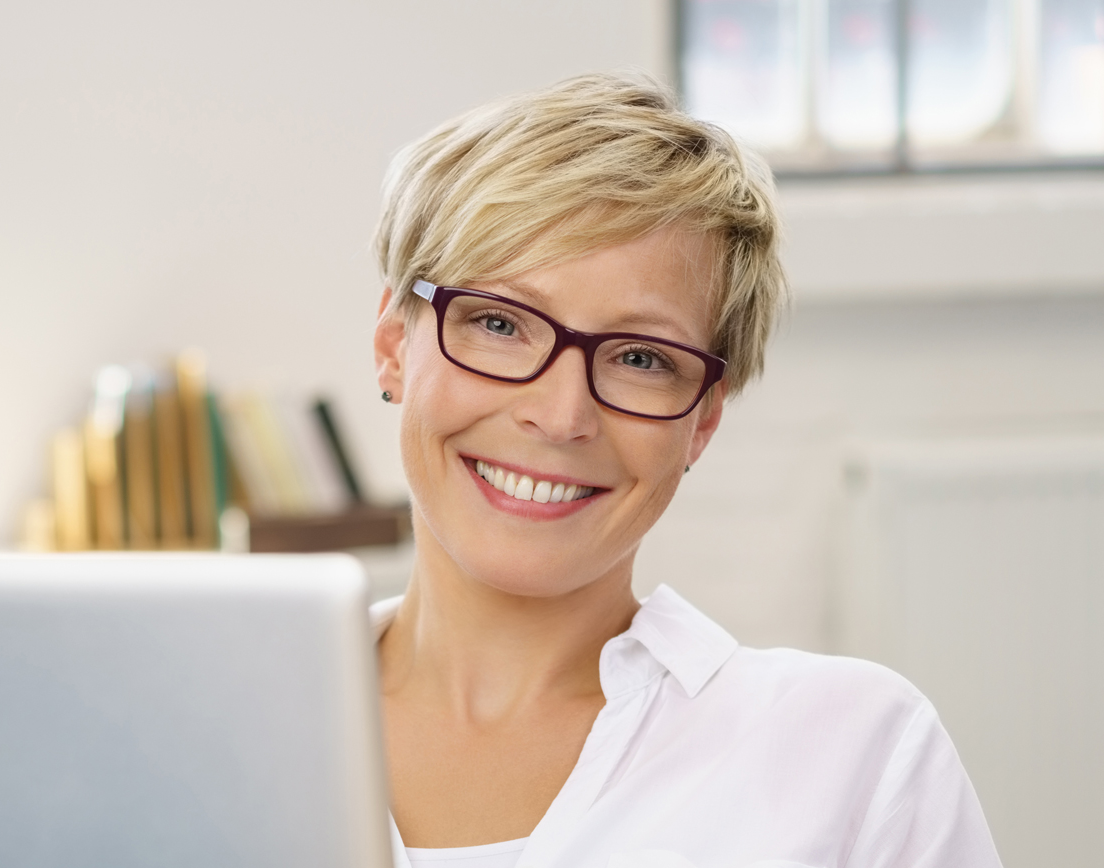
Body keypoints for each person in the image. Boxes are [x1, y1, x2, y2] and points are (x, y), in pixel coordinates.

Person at [365, 73, 1002, 868]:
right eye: (500, 323)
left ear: (702, 419)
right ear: (395, 344)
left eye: (640, 358)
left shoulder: (854, 757)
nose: (561, 416)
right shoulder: (213, 718)